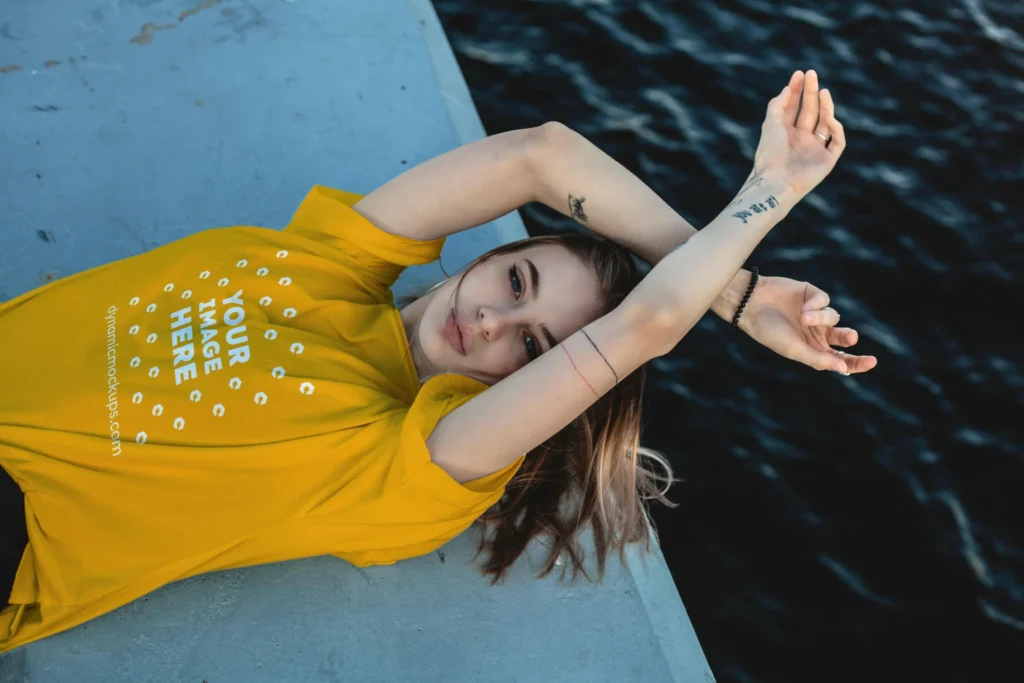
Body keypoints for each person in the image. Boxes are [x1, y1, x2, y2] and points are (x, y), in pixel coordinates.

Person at [0, 69, 875, 651]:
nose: (493, 321)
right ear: (484, 258)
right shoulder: (331, 261)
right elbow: (539, 155)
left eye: (533, 349)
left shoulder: (404, 468)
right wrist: (741, 286)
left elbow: (645, 326)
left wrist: (772, 191)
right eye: (517, 280)